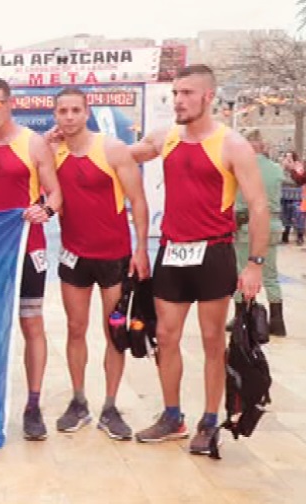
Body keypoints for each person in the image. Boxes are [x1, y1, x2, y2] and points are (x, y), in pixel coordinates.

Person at [128, 64, 266, 455]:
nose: (178, 100)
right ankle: (172, 416)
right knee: (166, 337)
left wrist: (254, 264)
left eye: (187, 93)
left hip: (213, 252)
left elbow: (258, 205)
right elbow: (117, 156)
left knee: (211, 341)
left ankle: (208, 421)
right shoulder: (166, 137)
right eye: (175, 93)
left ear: (208, 96)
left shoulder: (232, 145)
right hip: (172, 250)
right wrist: (61, 139)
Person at [0, 76, 62, 441]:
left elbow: (55, 194)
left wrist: (44, 211)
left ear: (9, 103)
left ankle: (33, 406)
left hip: (27, 246)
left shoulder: (33, 143)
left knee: (31, 324)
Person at [48, 88, 150, 441]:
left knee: (114, 334)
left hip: (113, 257)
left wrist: (141, 249)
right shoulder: (52, 152)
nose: (69, 116)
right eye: (63, 111)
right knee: (75, 328)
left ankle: (110, 406)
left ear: (86, 111)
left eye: (75, 110)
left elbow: (138, 200)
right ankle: (78, 402)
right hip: (73, 255)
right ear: (55, 115)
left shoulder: (112, 149)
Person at [229, 131, 286, 336]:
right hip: (273, 225)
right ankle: (277, 320)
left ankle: (241, 317)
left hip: (247, 226)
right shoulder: (276, 169)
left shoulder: (241, 167)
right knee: (271, 275)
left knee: (242, 272)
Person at [280, 152, 305, 245]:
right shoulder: (281, 168)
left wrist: (292, 169)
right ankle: (285, 234)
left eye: (290, 157)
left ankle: (300, 235)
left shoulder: (298, 167)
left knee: (298, 215)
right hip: (284, 195)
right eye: (286, 157)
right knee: (285, 215)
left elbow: (300, 180)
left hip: (297, 196)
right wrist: (283, 168)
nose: (288, 159)